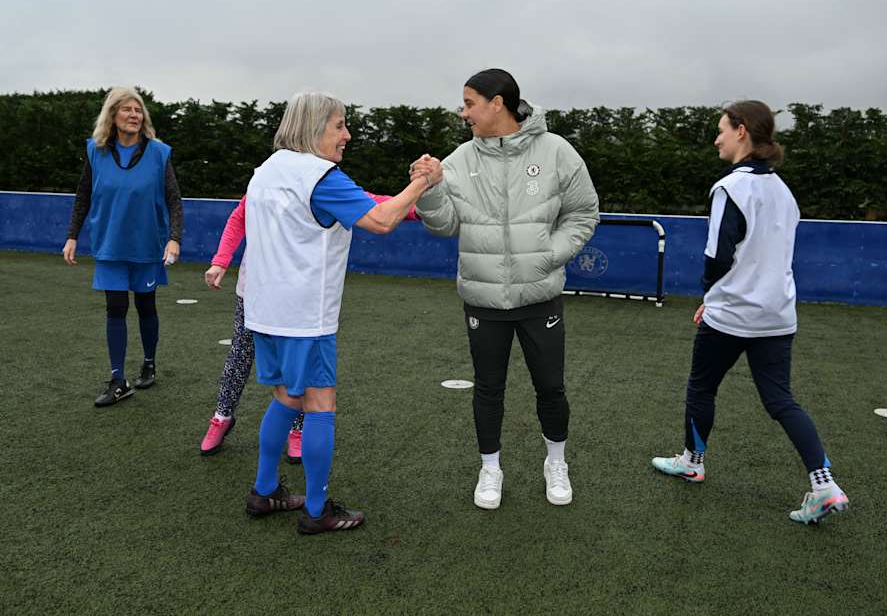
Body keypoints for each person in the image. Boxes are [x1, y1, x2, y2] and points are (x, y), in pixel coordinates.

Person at [241, 90, 440, 534]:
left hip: (263, 311)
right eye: (339, 125)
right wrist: (424, 181)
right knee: (319, 404)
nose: (347, 135)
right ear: (314, 128)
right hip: (304, 316)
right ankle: (316, 511)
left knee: (285, 398)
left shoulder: (266, 170)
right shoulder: (321, 176)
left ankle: (265, 489)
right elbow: (382, 220)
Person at [650, 100, 849, 525]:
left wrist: (709, 295)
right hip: (778, 314)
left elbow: (717, 257)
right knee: (781, 400)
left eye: (721, 130)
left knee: (701, 388)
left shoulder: (731, 188)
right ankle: (824, 484)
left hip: (732, 314)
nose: (716, 139)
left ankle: (692, 462)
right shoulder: (784, 191)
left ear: (741, 131)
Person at [411, 69, 599, 510]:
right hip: (484, 301)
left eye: (469, 103)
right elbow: (443, 225)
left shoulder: (556, 151)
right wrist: (429, 189)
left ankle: (556, 463)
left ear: (497, 103)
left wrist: (550, 254)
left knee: (550, 387)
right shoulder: (458, 160)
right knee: (488, 388)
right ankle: (490, 469)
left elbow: (583, 213)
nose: (463, 113)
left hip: (540, 296)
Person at [200, 192, 419, 460]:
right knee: (240, 354)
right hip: (255, 290)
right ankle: (222, 416)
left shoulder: (322, 182)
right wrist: (220, 260)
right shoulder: (265, 180)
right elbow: (239, 217)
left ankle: (298, 429)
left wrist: (421, 208)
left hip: (297, 296)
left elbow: (368, 203)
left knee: (297, 362)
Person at [63, 86, 183, 407]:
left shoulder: (158, 153)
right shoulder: (96, 151)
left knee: (146, 306)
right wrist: (72, 235)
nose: (134, 115)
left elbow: (174, 199)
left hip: (147, 245)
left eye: (138, 110)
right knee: (115, 308)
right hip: (110, 244)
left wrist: (174, 238)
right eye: (127, 109)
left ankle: (149, 363)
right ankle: (118, 380)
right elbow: (83, 194)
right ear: (112, 115)